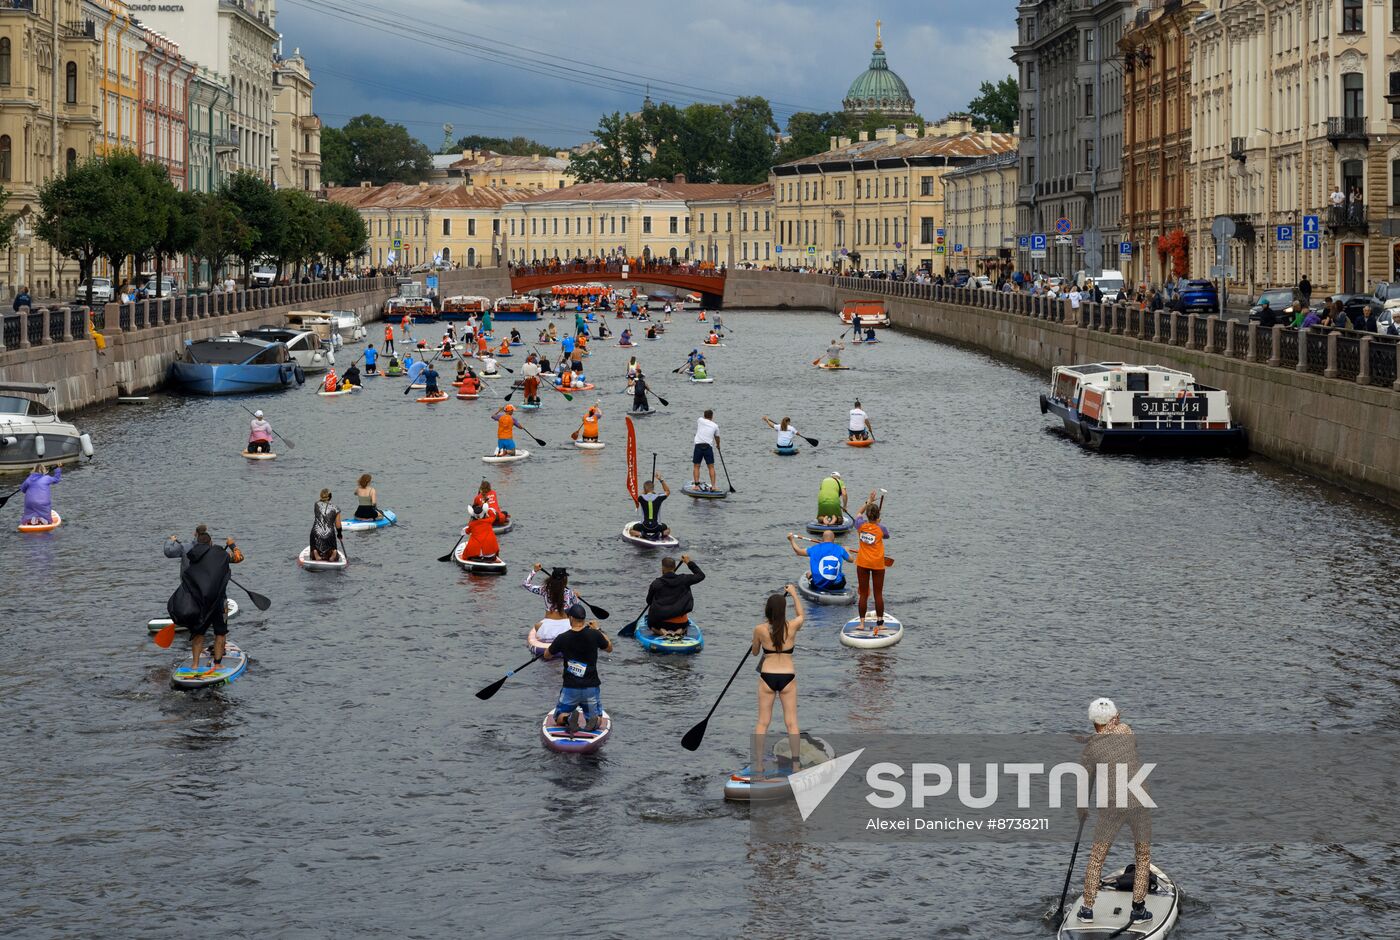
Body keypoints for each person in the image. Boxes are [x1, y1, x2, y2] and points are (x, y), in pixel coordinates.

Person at [1075, 698, 1154, 927]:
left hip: (1112, 806)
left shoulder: (1091, 748)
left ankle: (1087, 908)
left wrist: (1081, 809)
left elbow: (1084, 781)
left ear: (1093, 722)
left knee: (1097, 856)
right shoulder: (1126, 730)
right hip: (1139, 801)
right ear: (1114, 717)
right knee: (1142, 856)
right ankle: (1138, 909)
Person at [165, 526, 242, 670]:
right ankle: (217, 664)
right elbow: (239, 558)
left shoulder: (190, 555)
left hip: (198, 603)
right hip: (219, 601)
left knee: (198, 634)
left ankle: (194, 665)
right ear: (210, 543)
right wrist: (232, 545)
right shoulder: (220, 555)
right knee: (220, 632)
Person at [751, 585, 806, 777]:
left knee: (762, 722)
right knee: (791, 723)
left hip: (767, 677)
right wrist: (793, 594)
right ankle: (796, 766)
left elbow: (755, 652)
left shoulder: (759, 629)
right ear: (783, 610)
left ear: (767, 610)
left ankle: (758, 764)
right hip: (787, 678)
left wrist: (757, 642)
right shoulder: (792, 626)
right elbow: (801, 614)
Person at [544, 603, 612, 733]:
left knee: (558, 717)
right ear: (584, 619)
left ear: (570, 618)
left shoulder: (563, 637)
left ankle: (568, 718)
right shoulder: (594, 635)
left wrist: (556, 645)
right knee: (597, 718)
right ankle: (593, 721)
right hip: (590, 688)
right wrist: (598, 630)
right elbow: (609, 648)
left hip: (570, 688)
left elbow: (547, 655)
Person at [645, 554, 705, 638]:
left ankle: (663, 632)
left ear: (662, 569)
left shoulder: (656, 583)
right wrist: (688, 562)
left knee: (651, 624)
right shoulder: (684, 579)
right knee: (684, 625)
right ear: (674, 567)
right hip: (680, 622)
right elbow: (701, 576)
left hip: (660, 623)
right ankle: (679, 631)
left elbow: (649, 601)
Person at [854, 491, 890, 630]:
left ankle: (862, 624)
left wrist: (869, 500)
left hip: (862, 563)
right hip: (877, 564)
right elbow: (886, 536)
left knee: (863, 594)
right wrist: (878, 524)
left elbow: (858, 513)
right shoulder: (881, 528)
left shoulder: (860, 525)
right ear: (878, 516)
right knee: (878, 594)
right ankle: (880, 624)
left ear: (867, 516)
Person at [629, 476, 671, 541]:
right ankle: (660, 534)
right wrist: (661, 480)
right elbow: (667, 491)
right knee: (668, 529)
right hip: (656, 527)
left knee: (631, 530)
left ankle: (641, 534)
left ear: (644, 489)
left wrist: (646, 491)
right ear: (653, 489)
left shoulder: (641, 498)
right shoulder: (659, 497)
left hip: (644, 526)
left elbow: (640, 494)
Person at [310, 488, 343, 562]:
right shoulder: (336, 508)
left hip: (317, 532)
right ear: (330, 496)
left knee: (314, 544)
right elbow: (338, 524)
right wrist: (339, 534)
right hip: (329, 533)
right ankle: (333, 552)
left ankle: (316, 552)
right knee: (332, 547)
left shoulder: (316, 504)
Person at [692, 409, 720, 491]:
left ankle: (696, 486)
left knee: (696, 466)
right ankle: (714, 486)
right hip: (708, 447)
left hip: (698, 446)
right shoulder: (715, 426)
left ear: (704, 416)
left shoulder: (700, 420)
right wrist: (718, 445)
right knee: (711, 467)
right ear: (712, 416)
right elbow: (717, 437)